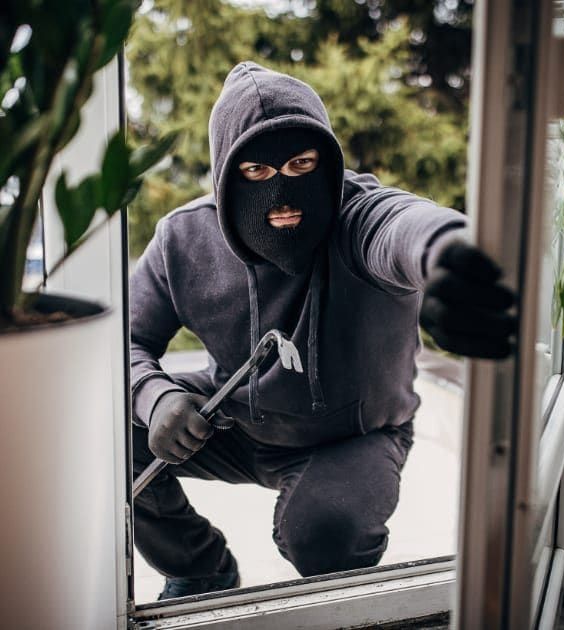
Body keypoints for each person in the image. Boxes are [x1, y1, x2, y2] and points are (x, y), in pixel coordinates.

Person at [129, 62, 515, 599]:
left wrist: (449, 256)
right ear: (224, 175)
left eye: (301, 163)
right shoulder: (182, 241)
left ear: (327, 164)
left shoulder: (357, 218)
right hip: (232, 422)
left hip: (354, 435)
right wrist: (154, 395)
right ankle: (200, 569)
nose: (282, 193)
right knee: (107, 437)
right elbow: (125, 341)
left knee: (326, 534)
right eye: (256, 173)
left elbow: (406, 224)